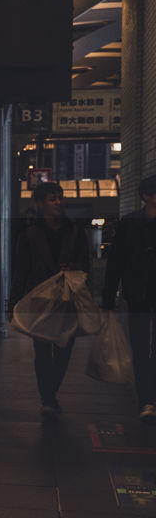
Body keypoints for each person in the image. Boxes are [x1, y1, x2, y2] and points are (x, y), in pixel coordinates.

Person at [9, 181, 90, 421]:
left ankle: (50, 391)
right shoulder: (29, 235)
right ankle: (48, 399)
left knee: (64, 349)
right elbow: (20, 271)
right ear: (40, 203)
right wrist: (12, 303)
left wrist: (72, 268)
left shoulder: (75, 231)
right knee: (42, 350)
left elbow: (86, 265)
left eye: (60, 198)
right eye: (53, 199)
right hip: (40, 299)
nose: (58, 202)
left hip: (67, 298)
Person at [101, 174, 156, 425]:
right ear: (146, 196)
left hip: (141, 293)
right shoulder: (130, 223)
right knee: (141, 348)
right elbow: (116, 263)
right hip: (139, 294)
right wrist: (108, 299)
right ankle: (147, 400)